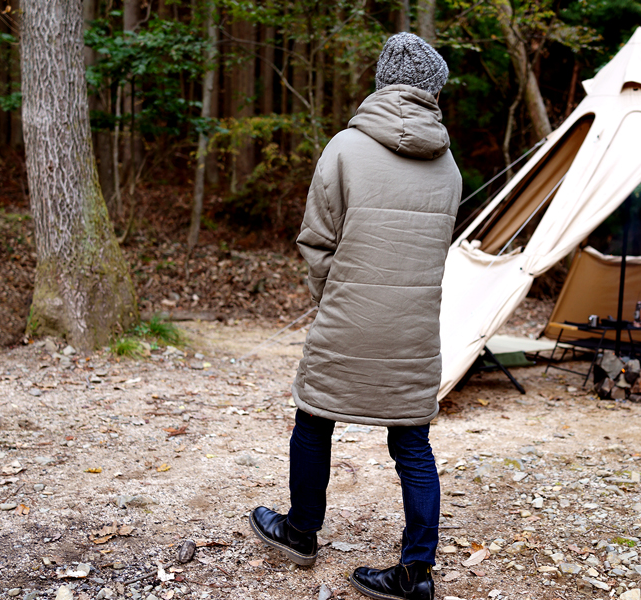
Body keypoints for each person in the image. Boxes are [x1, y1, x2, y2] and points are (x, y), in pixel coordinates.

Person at [249, 32, 461, 600]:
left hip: (347, 316)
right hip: (415, 330)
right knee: (412, 445)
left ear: (382, 82)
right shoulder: (449, 167)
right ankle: (415, 575)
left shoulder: (344, 148)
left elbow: (317, 241)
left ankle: (300, 533)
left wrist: (333, 299)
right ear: (432, 91)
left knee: (314, 420)